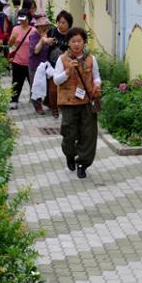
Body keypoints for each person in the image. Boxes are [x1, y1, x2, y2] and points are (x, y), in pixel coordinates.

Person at [53, 27, 101, 179]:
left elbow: (96, 77)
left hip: (86, 101)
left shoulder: (90, 59)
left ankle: (82, 164)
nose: (76, 44)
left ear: (84, 42)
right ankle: (70, 155)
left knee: (88, 134)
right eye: (73, 41)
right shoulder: (62, 60)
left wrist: (97, 85)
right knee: (69, 133)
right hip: (68, 103)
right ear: (68, 43)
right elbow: (56, 80)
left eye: (79, 41)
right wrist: (67, 72)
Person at [46, 10, 73, 118]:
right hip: (52, 65)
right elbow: (43, 39)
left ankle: (65, 106)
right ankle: (54, 108)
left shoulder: (72, 35)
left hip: (66, 65)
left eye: (63, 23)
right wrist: (46, 40)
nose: (60, 25)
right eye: (59, 22)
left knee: (66, 87)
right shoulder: (52, 32)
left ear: (69, 24)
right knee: (53, 89)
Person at [8, 9, 33, 110]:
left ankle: (35, 100)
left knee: (33, 82)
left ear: (28, 19)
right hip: (17, 61)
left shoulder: (33, 30)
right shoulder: (15, 29)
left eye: (24, 18)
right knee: (16, 82)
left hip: (30, 62)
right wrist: (12, 40)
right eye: (20, 17)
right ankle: (14, 101)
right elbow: (10, 44)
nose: (22, 20)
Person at [28, 15, 53, 115]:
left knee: (48, 84)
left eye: (46, 25)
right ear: (38, 27)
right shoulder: (34, 36)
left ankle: (47, 101)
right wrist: (42, 40)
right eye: (42, 26)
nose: (45, 27)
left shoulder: (48, 34)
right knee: (36, 86)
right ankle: (37, 105)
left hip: (46, 65)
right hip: (35, 65)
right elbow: (36, 51)